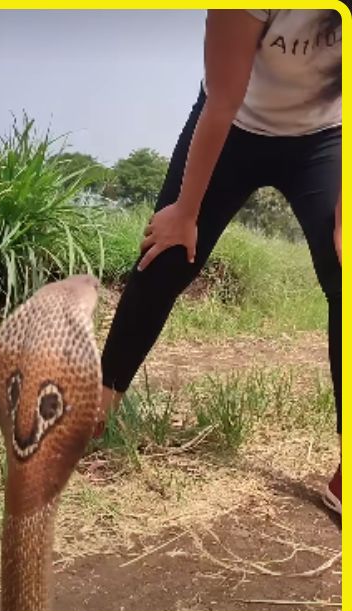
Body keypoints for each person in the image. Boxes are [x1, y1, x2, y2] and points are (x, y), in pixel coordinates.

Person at [98, 10, 341, 513]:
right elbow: (222, 100)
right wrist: (185, 212)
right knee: (165, 259)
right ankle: (95, 409)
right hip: (235, 125)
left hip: (327, 137)